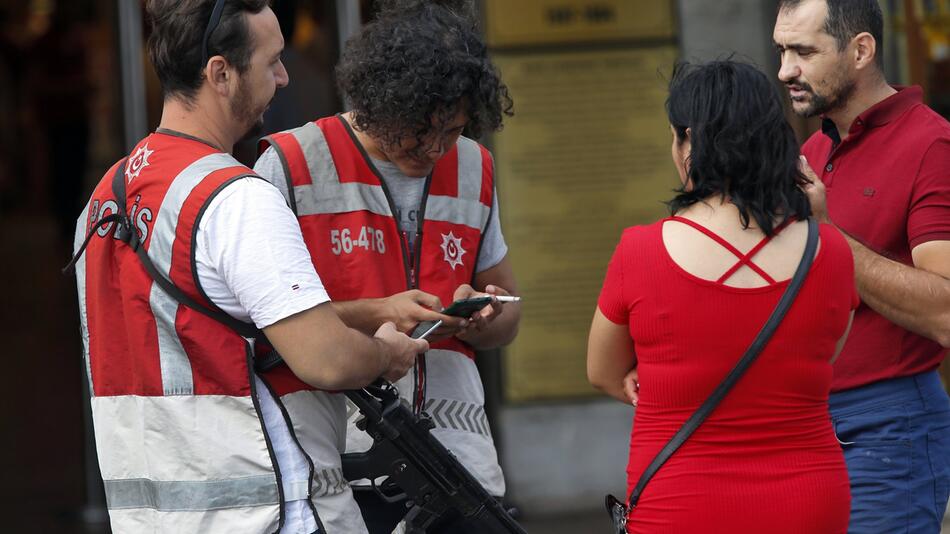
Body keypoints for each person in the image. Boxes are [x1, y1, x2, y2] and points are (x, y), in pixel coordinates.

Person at [70, 1, 427, 533]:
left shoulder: (104, 200)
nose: (283, 78)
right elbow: (327, 359)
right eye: (271, 62)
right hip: (261, 512)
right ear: (220, 73)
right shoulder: (235, 198)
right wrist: (384, 353)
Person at [253, 1, 520, 532]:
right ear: (380, 100)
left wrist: (484, 316)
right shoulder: (290, 163)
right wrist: (380, 312)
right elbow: (262, 329)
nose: (435, 148)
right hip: (339, 461)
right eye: (420, 129)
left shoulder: (475, 166)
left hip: (458, 466)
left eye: (454, 130)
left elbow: (509, 317)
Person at [587, 60, 857, 533]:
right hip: (807, 501)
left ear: (689, 140)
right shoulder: (829, 250)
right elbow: (826, 353)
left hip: (682, 504)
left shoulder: (641, 250)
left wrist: (656, 368)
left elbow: (603, 373)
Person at [773, 0, 950, 531]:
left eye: (803, 51)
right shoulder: (818, 146)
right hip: (803, 423)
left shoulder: (932, 143)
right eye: (782, 50)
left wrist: (827, 233)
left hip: (888, 426)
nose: (785, 70)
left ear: (861, 50)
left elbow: (946, 310)